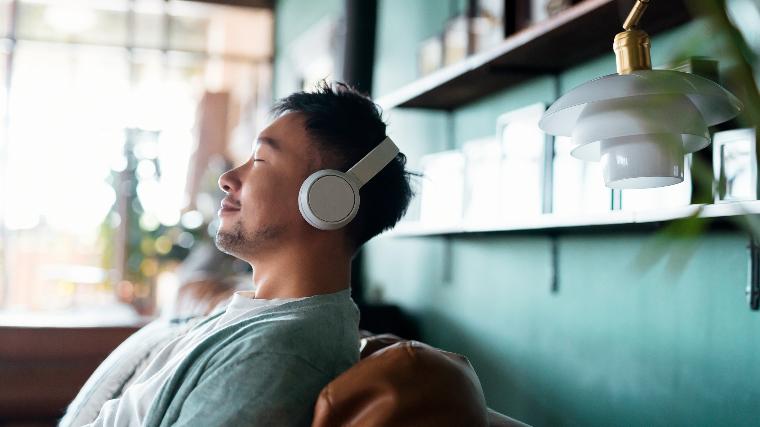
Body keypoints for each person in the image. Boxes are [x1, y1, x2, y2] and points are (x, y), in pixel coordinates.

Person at [60, 81, 415, 427]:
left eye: (260, 159)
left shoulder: (279, 354)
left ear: (328, 199)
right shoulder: (250, 316)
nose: (227, 178)